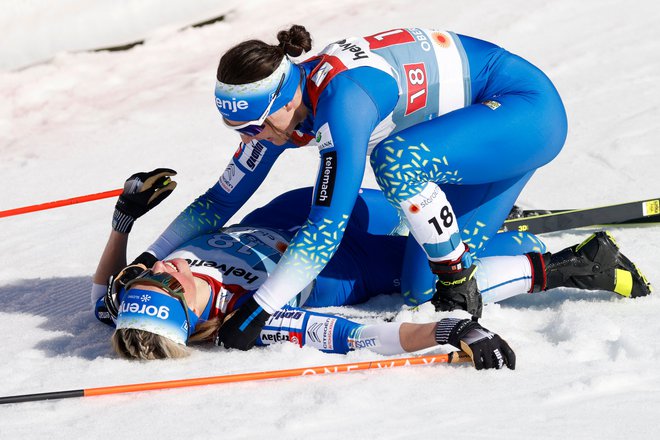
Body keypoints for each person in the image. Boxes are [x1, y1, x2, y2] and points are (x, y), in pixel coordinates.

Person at [135, 26, 653, 350]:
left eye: (256, 127)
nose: (253, 140)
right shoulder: (280, 112)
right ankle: (583, 263)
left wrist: (260, 307)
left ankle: (453, 255)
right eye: (239, 132)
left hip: (525, 111)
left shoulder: (343, 103)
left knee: (395, 160)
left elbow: (325, 228)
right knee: (417, 293)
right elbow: (219, 201)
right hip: (472, 139)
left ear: (287, 98)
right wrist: (148, 257)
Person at [93, 169, 651, 366]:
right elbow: (352, 335)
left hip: (291, 212)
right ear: (193, 317)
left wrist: (124, 219)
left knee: (422, 208)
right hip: (345, 262)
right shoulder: (246, 323)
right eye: (169, 284)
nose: (165, 269)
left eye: (149, 276)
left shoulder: (130, 299)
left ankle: (468, 216)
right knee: (429, 276)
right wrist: (447, 329)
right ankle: (574, 265)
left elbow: (102, 294)